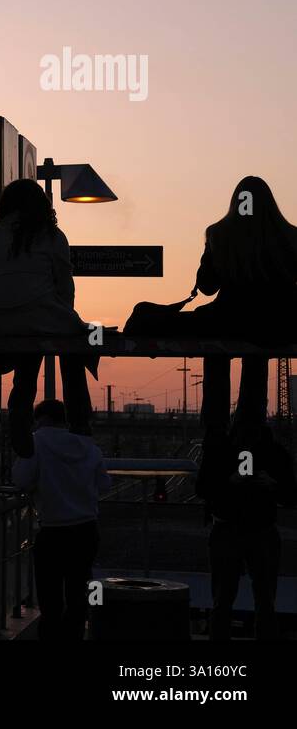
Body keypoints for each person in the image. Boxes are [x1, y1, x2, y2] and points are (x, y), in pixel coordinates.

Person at [0, 179, 97, 458]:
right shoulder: (52, 237)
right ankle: (79, 424)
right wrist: (65, 316)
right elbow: (65, 286)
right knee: (78, 343)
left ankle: (19, 433)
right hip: (40, 318)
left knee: (26, 370)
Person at [190, 177, 297, 435]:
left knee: (216, 356)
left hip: (228, 320)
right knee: (257, 357)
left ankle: (215, 431)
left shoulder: (218, 233)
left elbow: (207, 287)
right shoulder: (291, 236)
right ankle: (250, 428)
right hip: (275, 323)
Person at [11, 398, 111, 640]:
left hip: (54, 532)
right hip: (86, 530)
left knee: (50, 601)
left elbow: (21, 480)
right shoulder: (88, 445)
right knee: (78, 596)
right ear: (63, 419)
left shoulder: (36, 443)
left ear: (40, 418)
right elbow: (104, 484)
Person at [195, 411, 297, 639]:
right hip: (262, 530)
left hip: (227, 528)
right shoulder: (275, 453)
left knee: (222, 600)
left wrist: (228, 483)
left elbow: (202, 489)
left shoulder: (220, 450)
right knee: (265, 599)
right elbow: (291, 497)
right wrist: (273, 485)